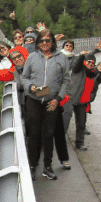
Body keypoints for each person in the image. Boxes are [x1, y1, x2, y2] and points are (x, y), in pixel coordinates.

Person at [19, 30, 68, 180]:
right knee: (33, 134)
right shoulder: (32, 57)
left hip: (51, 101)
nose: (44, 44)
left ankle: (47, 166)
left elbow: (66, 80)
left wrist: (58, 98)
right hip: (33, 100)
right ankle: (32, 166)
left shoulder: (61, 58)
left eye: (47, 41)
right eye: (41, 41)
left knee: (48, 134)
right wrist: (30, 87)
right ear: (37, 43)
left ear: (52, 41)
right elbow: (24, 77)